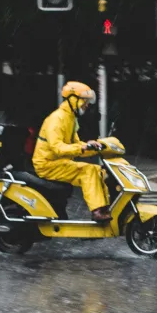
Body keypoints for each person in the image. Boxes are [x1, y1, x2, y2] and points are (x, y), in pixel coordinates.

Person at [33, 81, 111, 221]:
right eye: (84, 101)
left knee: (100, 171)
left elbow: (76, 145)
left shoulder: (70, 118)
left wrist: (95, 148)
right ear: (73, 99)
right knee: (88, 171)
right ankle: (97, 211)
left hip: (59, 163)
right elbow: (57, 147)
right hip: (47, 164)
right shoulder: (56, 119)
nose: (87, 105)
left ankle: (105, 209)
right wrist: (83, 147)